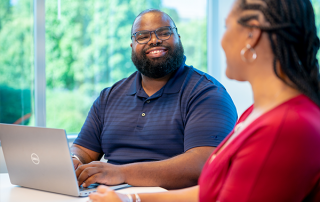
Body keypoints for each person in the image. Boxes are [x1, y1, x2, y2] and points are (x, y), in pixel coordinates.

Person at [88, 0, 320, 201]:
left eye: (227, 26)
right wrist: (131, 199)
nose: (222, 40)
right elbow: (210, 193)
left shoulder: (286, 127)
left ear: (253, 35)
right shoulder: (254, 115)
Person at [71, 9, 238, 190]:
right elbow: (83, 150)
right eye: (142, 36)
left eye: (164, 32)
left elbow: (203, 164)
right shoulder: (109, 96)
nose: (154, 40)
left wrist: (120, 173)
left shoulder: (207, 93)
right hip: (107, 195)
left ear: (178, 38)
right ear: (132, 45)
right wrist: (74, 160)